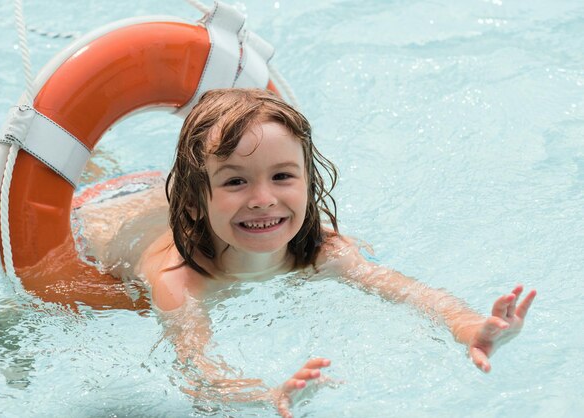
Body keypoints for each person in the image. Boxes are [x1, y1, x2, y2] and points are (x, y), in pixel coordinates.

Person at [75, 88, 536, 418]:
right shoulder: (180, 281)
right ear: (196, 201)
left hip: (166, 193)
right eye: (236, 180)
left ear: (309, 183)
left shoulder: (324, 251)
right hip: (105, 209)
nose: (263, 198)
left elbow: (413, 294)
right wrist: (263, 394)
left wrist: (471, 327)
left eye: (282, 177)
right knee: (90, 170)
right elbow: (198, 370)